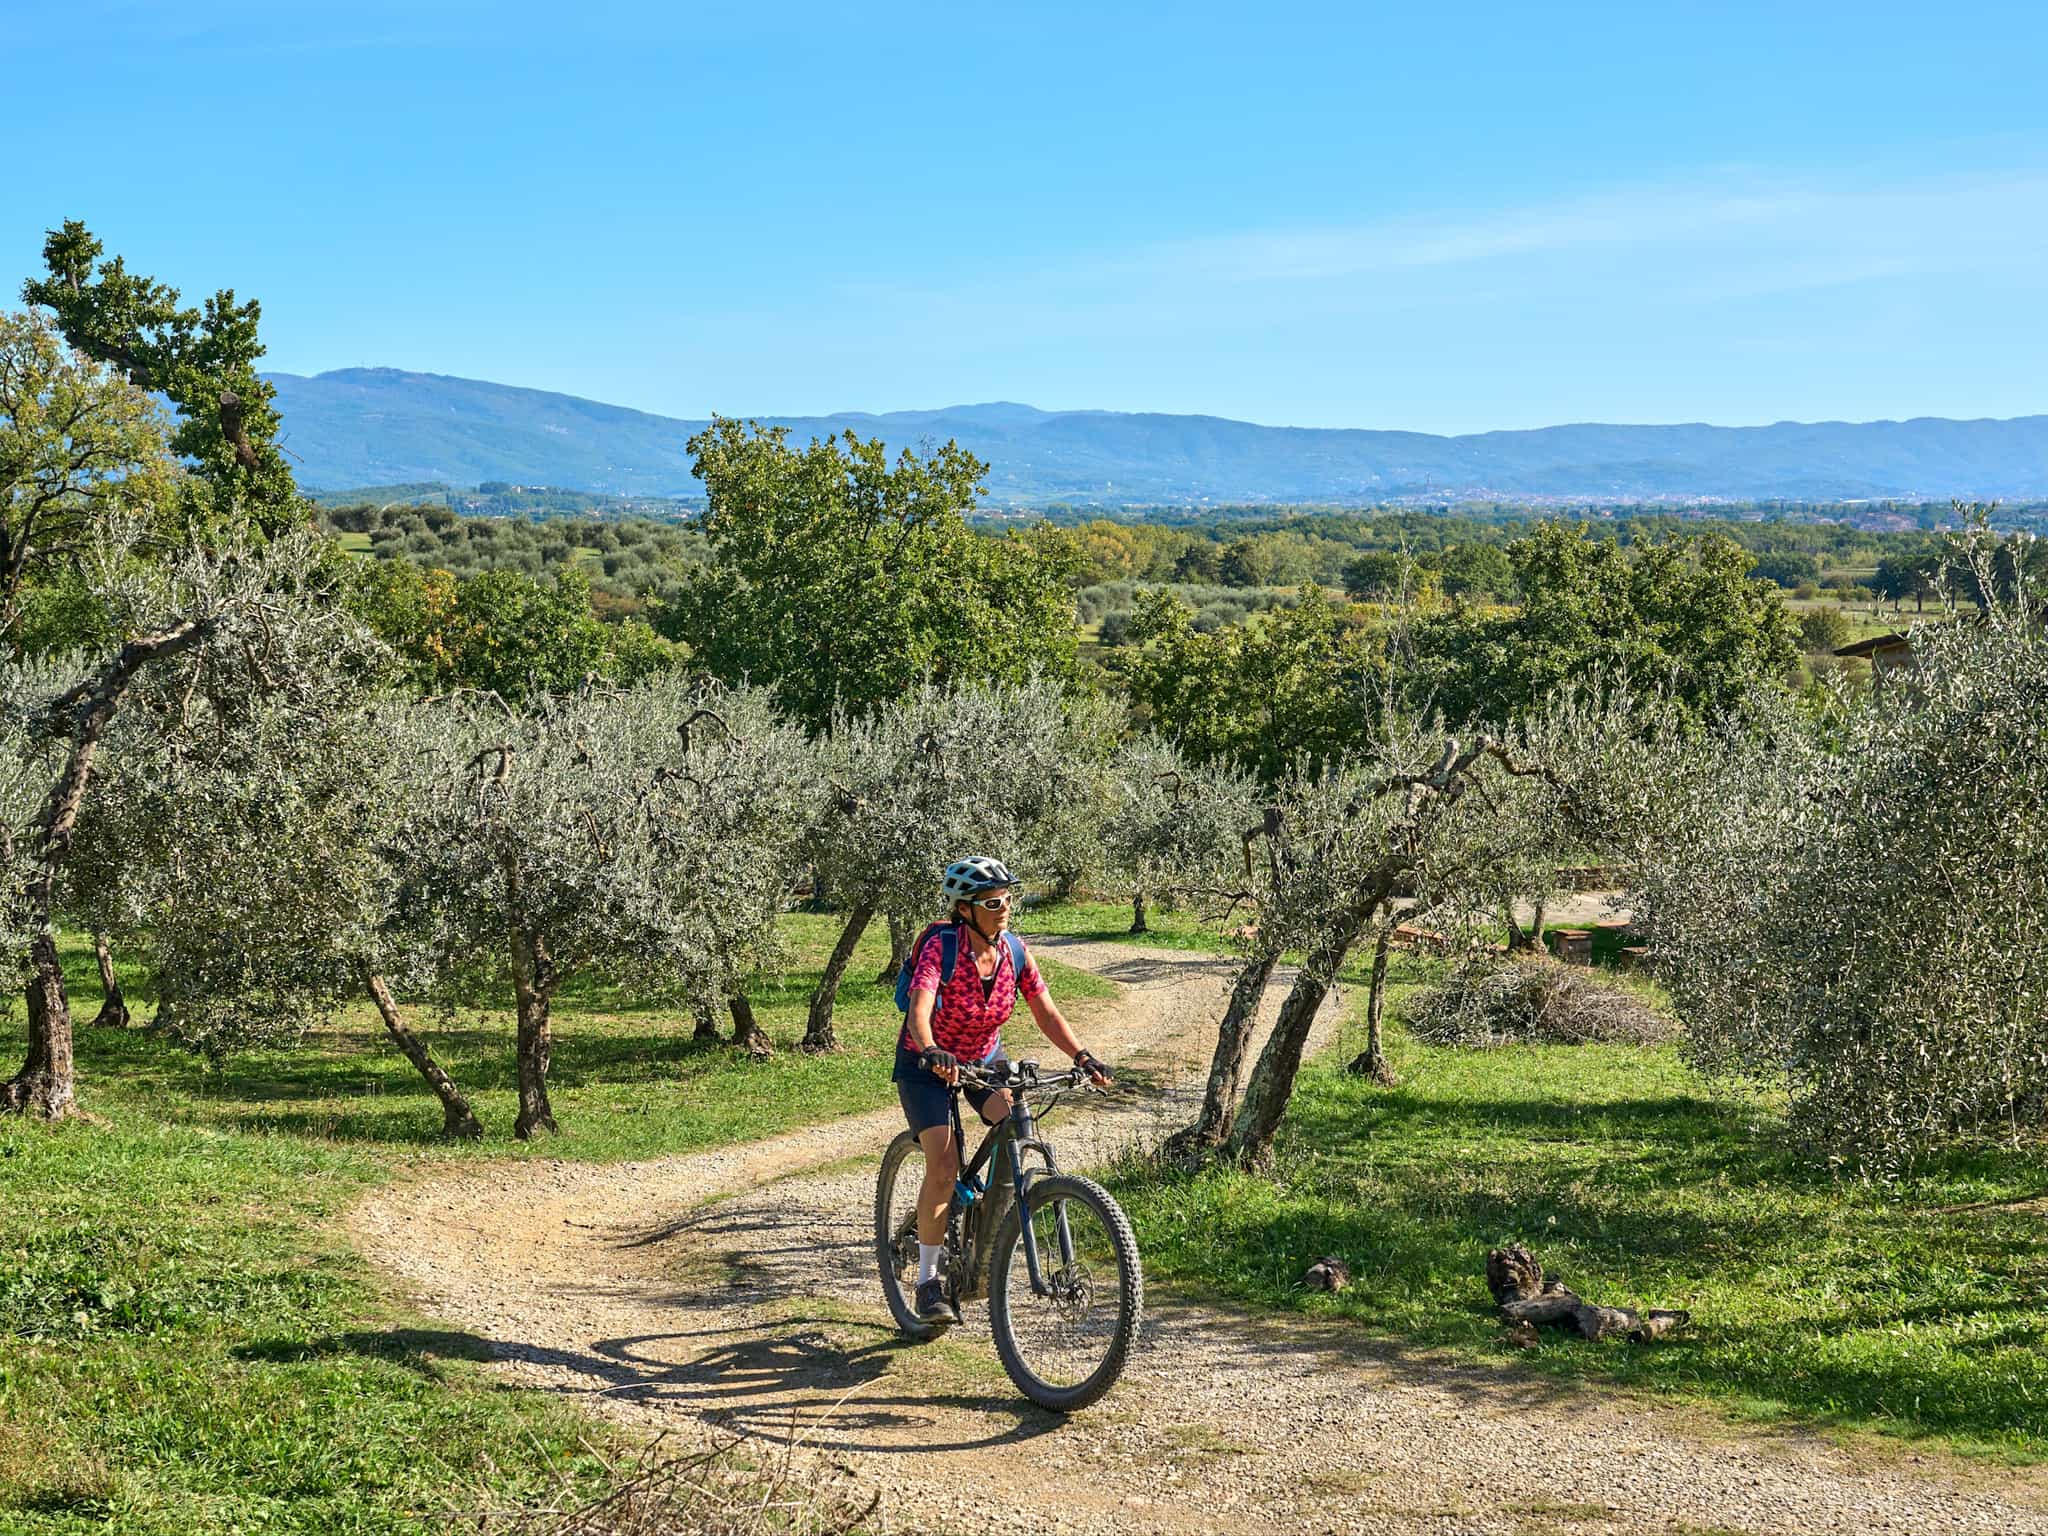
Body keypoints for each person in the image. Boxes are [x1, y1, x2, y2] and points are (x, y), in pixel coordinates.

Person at [894, 854, 1111, 1325]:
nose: (1004, 909)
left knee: (1015, 1122)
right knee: (945, 1164)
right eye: (993, 902)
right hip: (926, 1062)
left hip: (983, 1058)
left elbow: (1046, 1011)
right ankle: (928, 1283)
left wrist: (1083, 1056)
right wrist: (931, 1048)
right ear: (965, 909)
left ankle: (983, 1233)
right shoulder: (941, 947)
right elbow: (920, 1007)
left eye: (1008, 899)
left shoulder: (1014, 951)